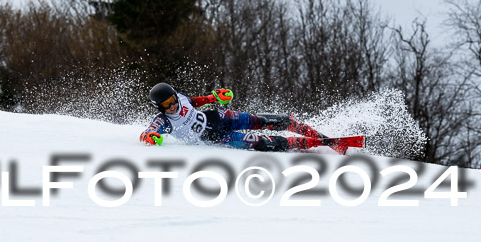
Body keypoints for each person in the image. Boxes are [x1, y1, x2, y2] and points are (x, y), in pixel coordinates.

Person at [139, 82, 346, 153]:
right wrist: (150, 137)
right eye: (167, 104)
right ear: (160, 107)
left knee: (258, 121)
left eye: (172, 99)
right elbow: (148, 132)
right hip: (220, 138)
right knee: (262, 143)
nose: (173, 105)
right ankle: (308, 143)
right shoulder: (164, 120)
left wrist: (214, 97)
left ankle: (295, 125)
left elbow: (195, 101)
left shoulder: (181, 99)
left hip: (220, 117)